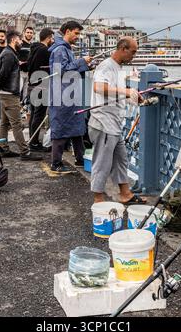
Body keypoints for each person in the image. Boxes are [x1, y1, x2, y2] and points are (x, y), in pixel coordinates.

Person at [88, 37, 146, 204]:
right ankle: (98, 199)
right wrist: (126, 91)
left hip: (113, 124)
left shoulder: (118, 68)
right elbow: (98, 87)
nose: (134, 56)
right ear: (123, 48)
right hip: (103, 123)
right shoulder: (106, 66)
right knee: (102, 162)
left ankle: (125, 193)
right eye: (133, 52)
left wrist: (130, 97)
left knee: (121, 159)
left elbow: (115, 94)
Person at [0, 30, 42, 161]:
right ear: (14, 40)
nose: (21, 42)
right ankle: (25, 152)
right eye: (19, 40)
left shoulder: (9, 53)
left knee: (4, 122)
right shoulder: (9, 55)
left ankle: (3, 148)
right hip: (9, 94)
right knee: (17, 124)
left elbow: (2, 73)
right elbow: (2, 74)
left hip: (5, 93)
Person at [49, 21, 92, 174]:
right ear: (67, 31)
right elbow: (61, 71)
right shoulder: (60, 50)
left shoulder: (66, 49)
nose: (78, 37)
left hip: (71, 95)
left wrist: (85, 65)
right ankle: (56, 163)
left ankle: (81, 159)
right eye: (76, 33)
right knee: (61, 128)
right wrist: (81, 62)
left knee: (77, 128)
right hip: (62, 96)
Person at [28, 28, 54, 151]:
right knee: (39, 115)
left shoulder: (34, 48)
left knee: (34, 114)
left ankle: (32, 140)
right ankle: (33, 143)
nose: (53, 41)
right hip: (41, 86)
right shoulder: (45, 50)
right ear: (48, 38)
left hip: (32, 84)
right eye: (52, 38)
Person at [18, 26, 34, 103]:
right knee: (18, 90)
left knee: (25, 93)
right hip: (19, 72)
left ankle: (21, 107)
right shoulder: (20, 44)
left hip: (28, 73)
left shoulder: (32, 45)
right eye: (27, 32)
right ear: (24, 33)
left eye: (31, 33)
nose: (29, 34)